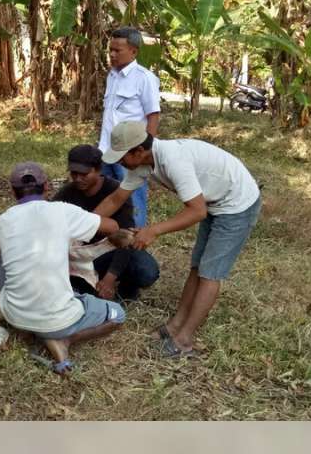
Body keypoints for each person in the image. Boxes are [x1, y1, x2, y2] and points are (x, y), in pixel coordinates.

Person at [96, 121, 262, 358]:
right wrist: (83, 222)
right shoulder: (143, 163)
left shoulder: (173, 161)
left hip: (236, 204)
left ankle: (184, 340)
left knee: (210, 273)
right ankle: (175, 327)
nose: (120, 163)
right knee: (197, 267)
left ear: (139, 151)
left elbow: (196, 211)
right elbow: (116, 199)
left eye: (122, 157)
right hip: (215, 203)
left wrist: (153, 231)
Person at [0, 162, 126, 374]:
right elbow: (112, 227)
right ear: (46, 187)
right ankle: (64, 339)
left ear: (12, 191)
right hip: (60, 320)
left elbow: (0, 261)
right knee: (118, 315)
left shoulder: (3, 219)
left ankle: (33, 330)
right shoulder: (63, 211)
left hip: (15, 316)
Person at [52, 144, 160, 301]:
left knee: (146, 270)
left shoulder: (116, 191)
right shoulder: (67, 193)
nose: (77, 178)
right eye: (74, 173)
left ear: (98, 170)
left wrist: (110, 278)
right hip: (81, 254)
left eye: (84, 174)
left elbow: (126, 239)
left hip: (111, 249)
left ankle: (126, 289)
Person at [98, 27, 160, 228]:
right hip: (107, 149)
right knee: (109, 195)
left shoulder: (145, 78)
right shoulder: (112, 76)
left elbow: (153, 115)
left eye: (118, 51)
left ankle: (136, 240)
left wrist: (145, 151)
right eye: (111, 50)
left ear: (133, 51)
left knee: (134, 199)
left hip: (130, 152)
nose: (113, 55)